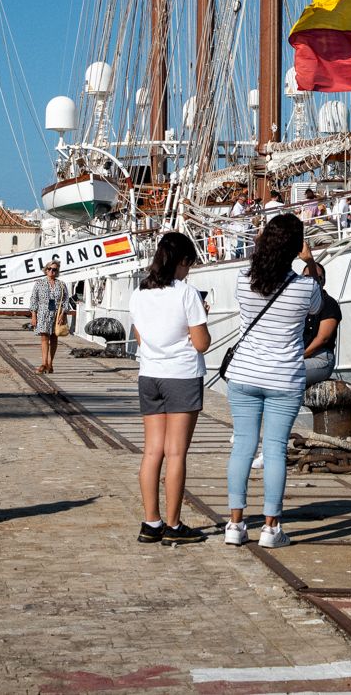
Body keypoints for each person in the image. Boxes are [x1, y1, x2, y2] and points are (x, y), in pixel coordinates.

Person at [222, 213, 323, 549]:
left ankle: (235, 525)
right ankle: (271, 527)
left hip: (244, 374)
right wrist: (308, 261)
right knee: (275, 450)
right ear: (296, 247)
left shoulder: (242, 280)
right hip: (284, 377)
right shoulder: (305, 287)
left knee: (243, 447)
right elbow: (316, 307)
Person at [129, 232, 211, 545]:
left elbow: (139, 337)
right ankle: (174, 525)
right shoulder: (186, 293)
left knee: (152, 451)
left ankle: (151, 522)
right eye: (189, 264)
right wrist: (204, 318)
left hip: (150, 375)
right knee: (176, 453)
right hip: (182, 376)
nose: (189, 270)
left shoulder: (139, 292)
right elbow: (201, 344)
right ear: (181, 261)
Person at [300, 261, 342, 386]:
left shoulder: (329, 304)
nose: (312, 280)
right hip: (299, 356)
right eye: (307, 277)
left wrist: (299, 357)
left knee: (286, 373)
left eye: (317, 277)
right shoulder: (300, 304)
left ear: (323, 281)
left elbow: (322, 338)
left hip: (320, 358)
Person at [28, 260, 69, 374]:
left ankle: (50, 364)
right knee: (44, 337)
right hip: (43, 313)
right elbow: (34, 299)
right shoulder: (39, 283)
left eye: (54, 269)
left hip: (56, 314)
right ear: (46, 270)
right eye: (49, 269)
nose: (52, 271)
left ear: (57, 271)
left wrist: (63, 314)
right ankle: (44, 363)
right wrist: (33, 315)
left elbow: (65, 300)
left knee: (54, 338)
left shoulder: (61, 284)